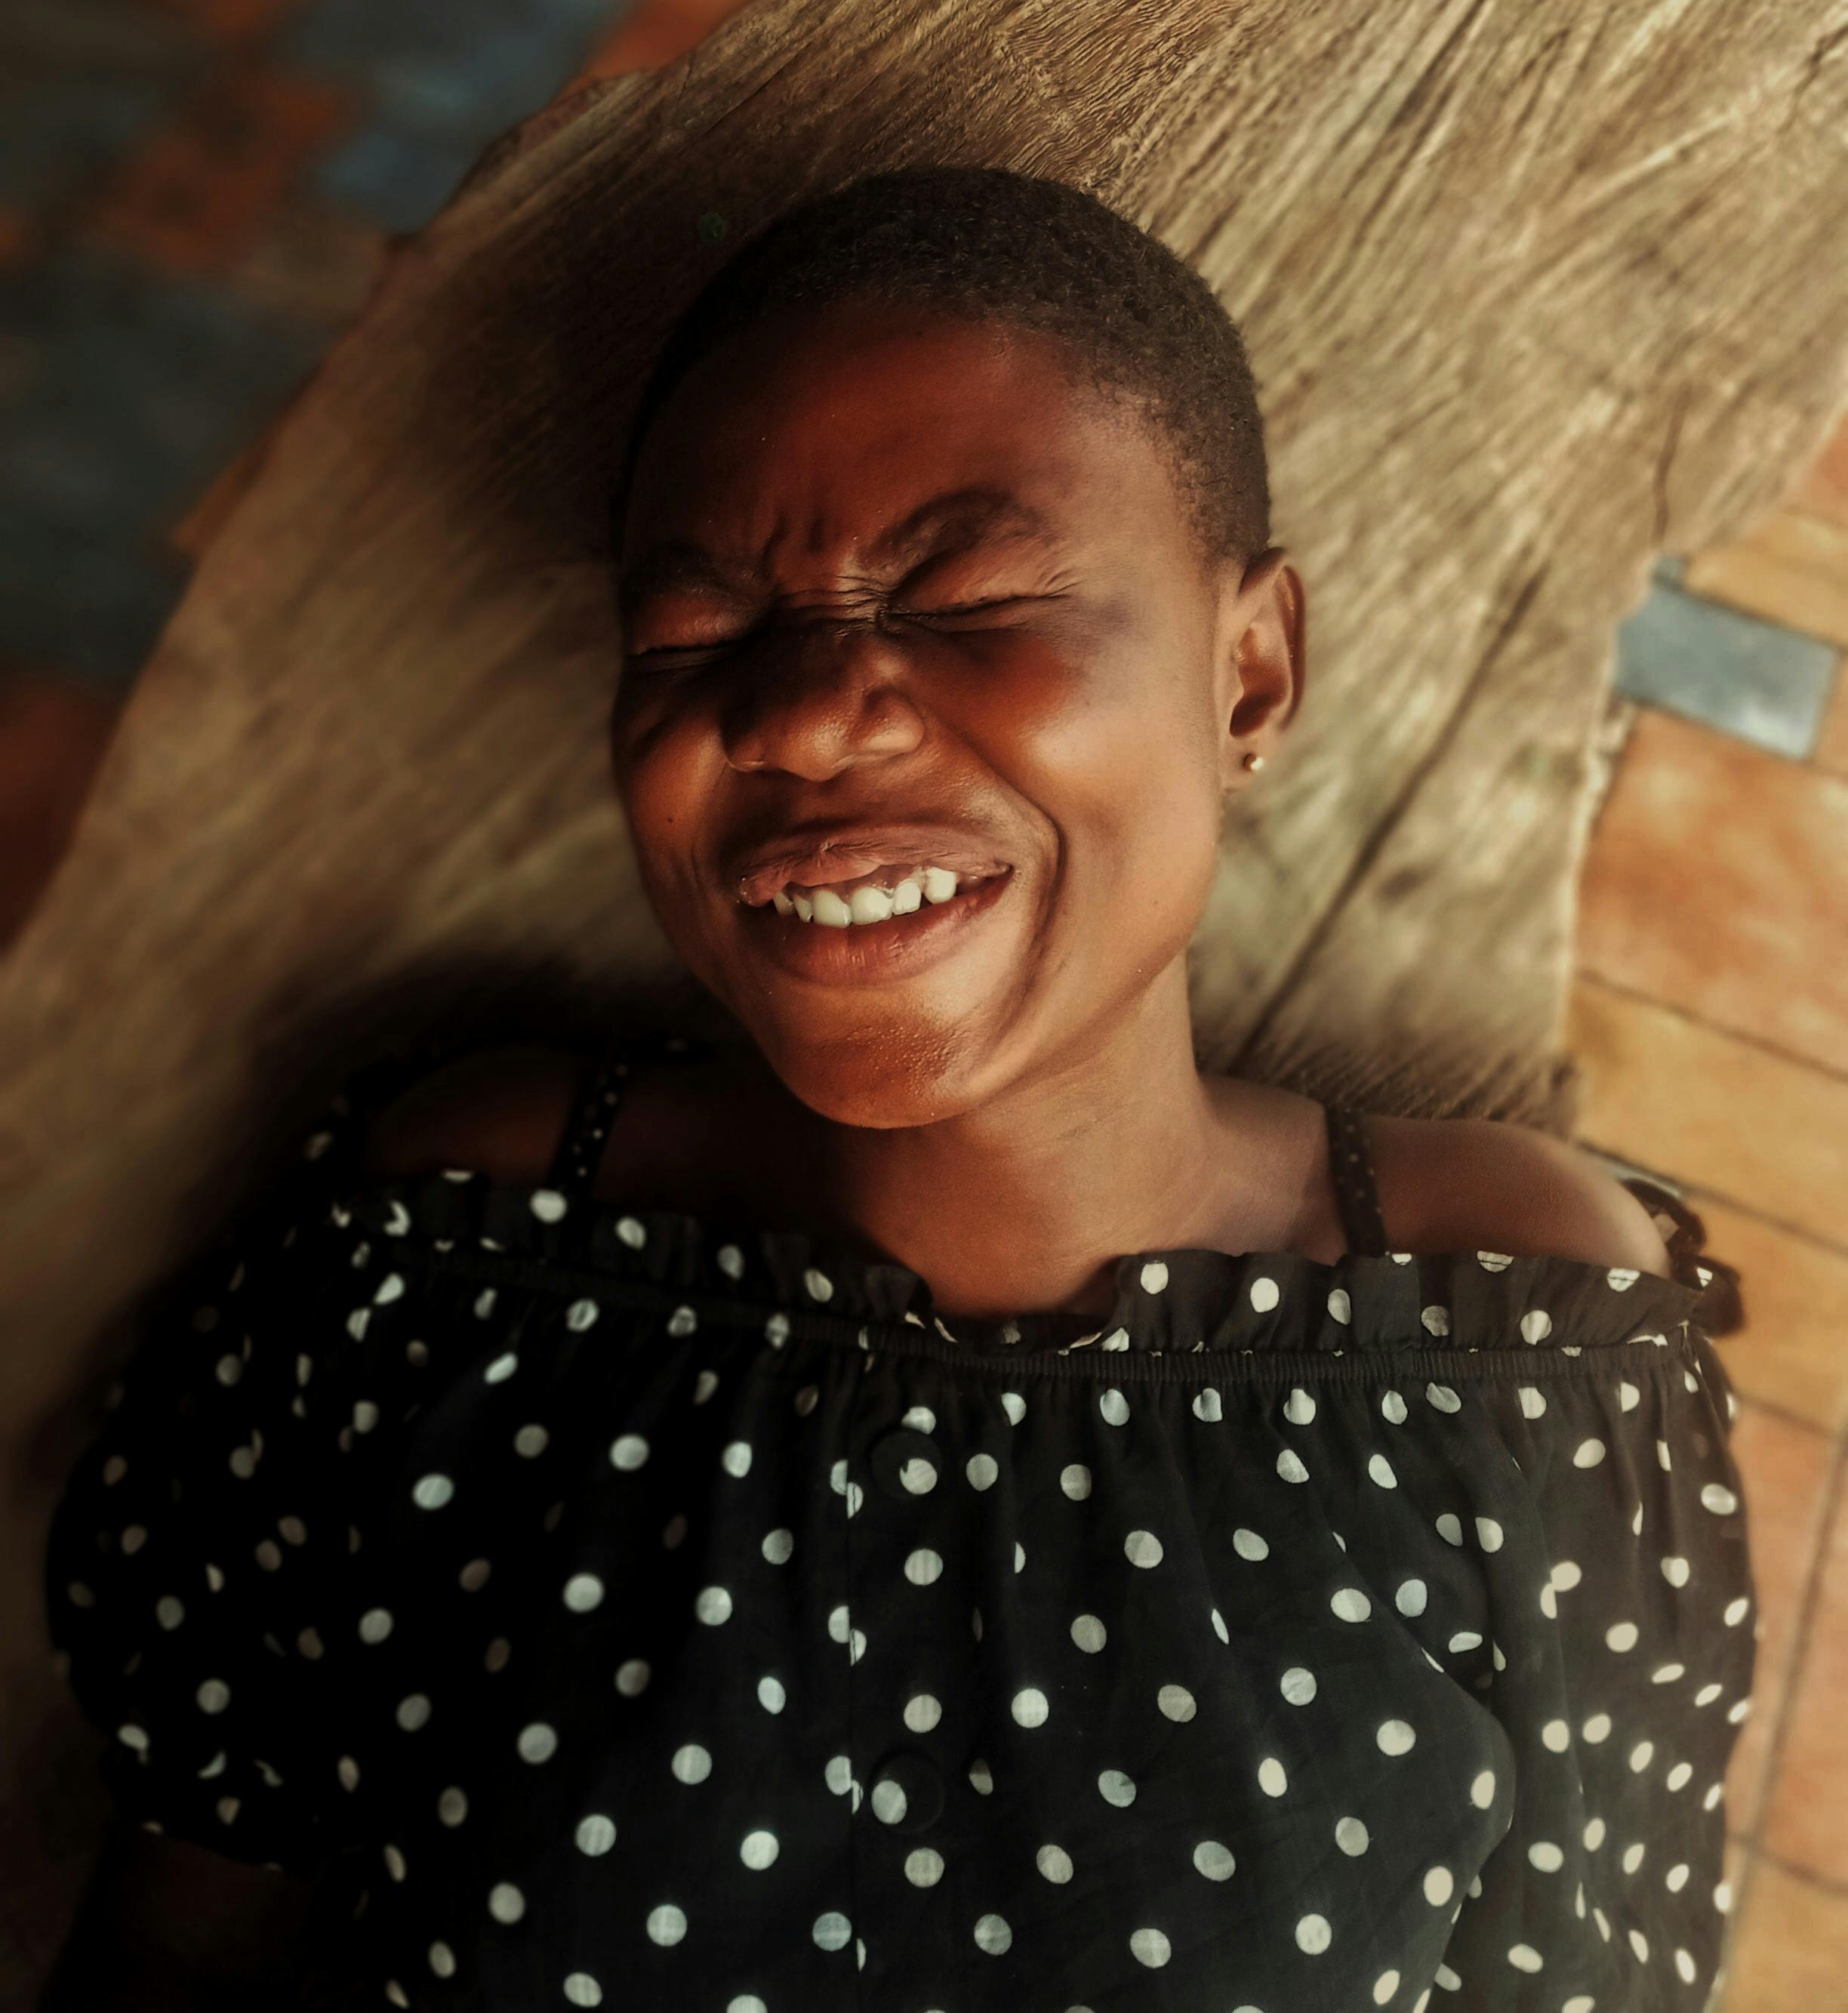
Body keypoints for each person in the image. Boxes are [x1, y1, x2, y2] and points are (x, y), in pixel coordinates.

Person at [42, 168, 1751, 2011]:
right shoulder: (454, 1258)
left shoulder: (1519, 1348)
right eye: (691, 640)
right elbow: (192, 1916)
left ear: (1249, 673)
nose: (795, 714)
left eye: (968, 597)